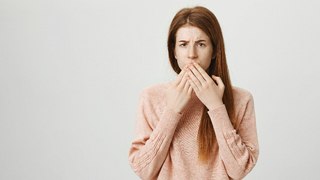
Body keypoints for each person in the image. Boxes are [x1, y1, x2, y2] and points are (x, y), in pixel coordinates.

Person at [128, 6, 259, 180]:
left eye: (201, 44)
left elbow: (239, 170)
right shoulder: (151, 97)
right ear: (173, 51)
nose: (192, 54)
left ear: (214, 51)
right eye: (183, 45)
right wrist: (172, 111)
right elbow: (143, 170)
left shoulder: (241, 99)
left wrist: (216, 106)